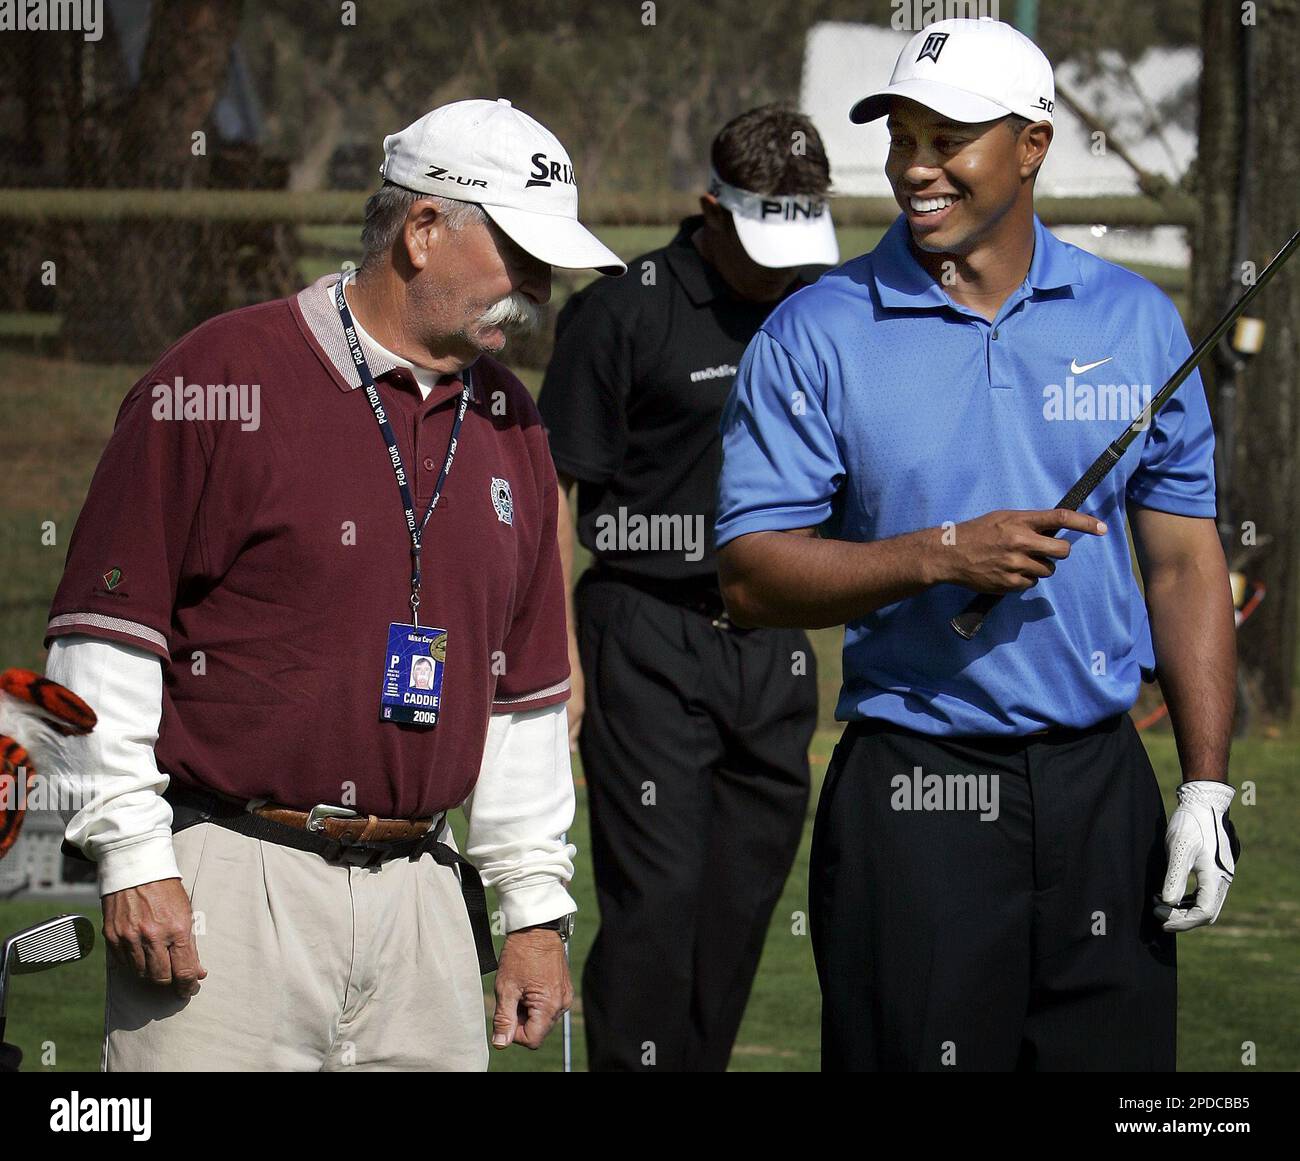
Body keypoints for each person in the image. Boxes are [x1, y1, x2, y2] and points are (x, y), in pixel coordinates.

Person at [43, 98, 625, 1071]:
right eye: (522, 260)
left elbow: (525, 699)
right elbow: (105, 636)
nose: (540, 290)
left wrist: (531, 908)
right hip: (231, 876)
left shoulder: (514, 424)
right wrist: (131, 856)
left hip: (425, 896)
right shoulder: (220, 376)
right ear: (423, 230)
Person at [715, 18, 1240, 1072]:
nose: (917, 167)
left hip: (1103, 791)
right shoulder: (816, 329)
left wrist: (1206, 788)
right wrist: (940, 554)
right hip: (914, 792)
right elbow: (748, 575)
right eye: (903, 136)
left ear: (1031, 145)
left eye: (948, 138)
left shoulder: (1135, 320)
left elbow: (1184, 564)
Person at [537, 104, 838, 1071]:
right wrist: (560, 658)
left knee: (738, 905)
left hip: (772, 640)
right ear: (710, 208)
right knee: (657, 904)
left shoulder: (823, 300)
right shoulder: (624, 308)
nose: (777, 262)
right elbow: (554, 489)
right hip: (643, 632)